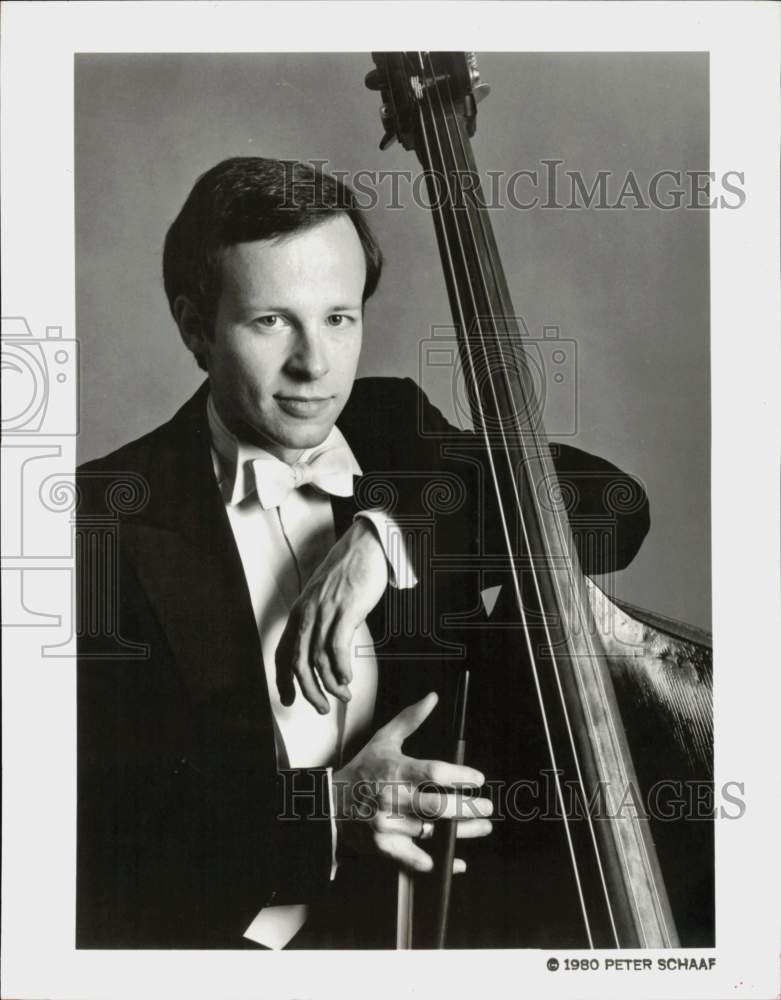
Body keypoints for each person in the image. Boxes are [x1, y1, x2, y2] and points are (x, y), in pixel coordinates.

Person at [76, 157, 651, 949]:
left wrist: (390, 536)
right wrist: (328, 811)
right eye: (270, 321)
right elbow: (95, 828)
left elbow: (613, 508)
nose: (315, 364)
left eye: (339, 318)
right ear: (194, 326)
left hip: (435, 938)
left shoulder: (395, 430)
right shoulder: (101, 515)